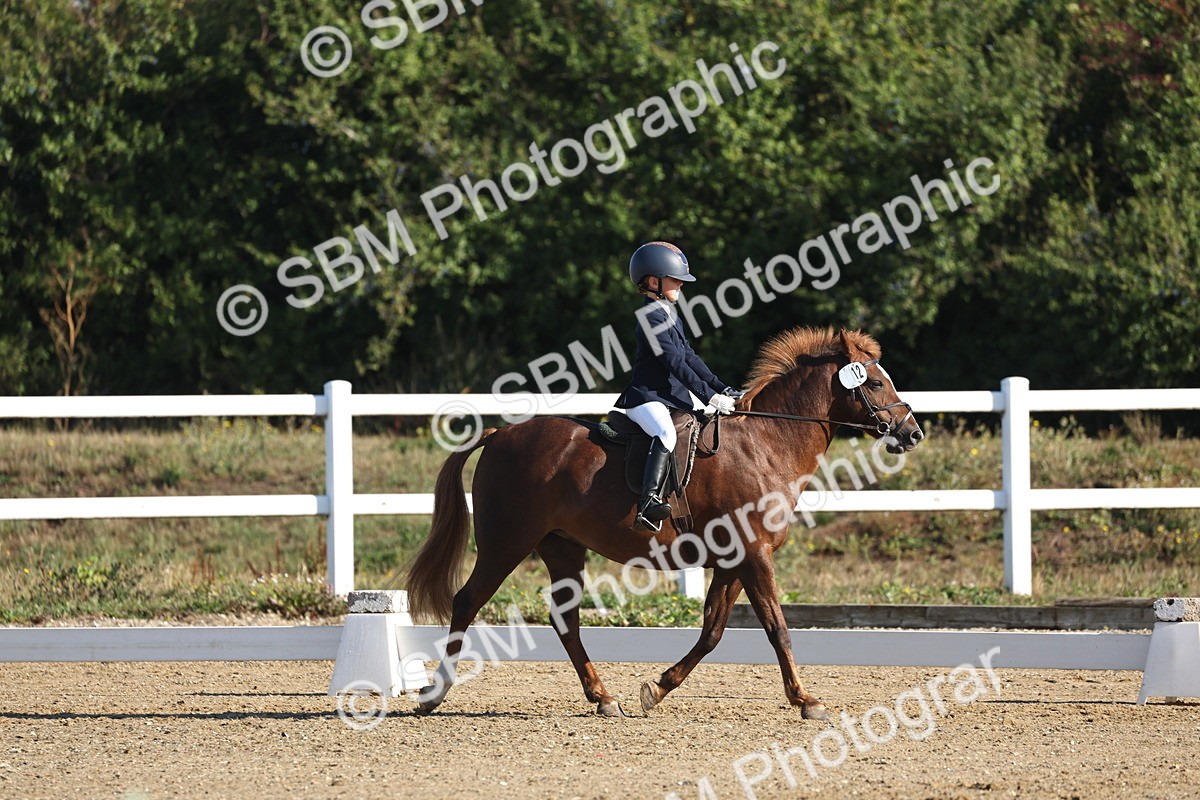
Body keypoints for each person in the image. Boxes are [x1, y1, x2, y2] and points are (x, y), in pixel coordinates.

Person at [614, 241, 743, 531]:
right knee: (666, 434)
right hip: (647, 398)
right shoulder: (650, 317)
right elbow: (674, 363)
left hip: (669, 396)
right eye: (676, 279)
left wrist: (721, 389)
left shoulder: (669, 314)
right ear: (652, 281)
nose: (681, 285)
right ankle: (647, 504)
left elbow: (689, 357)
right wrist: (709, 396)